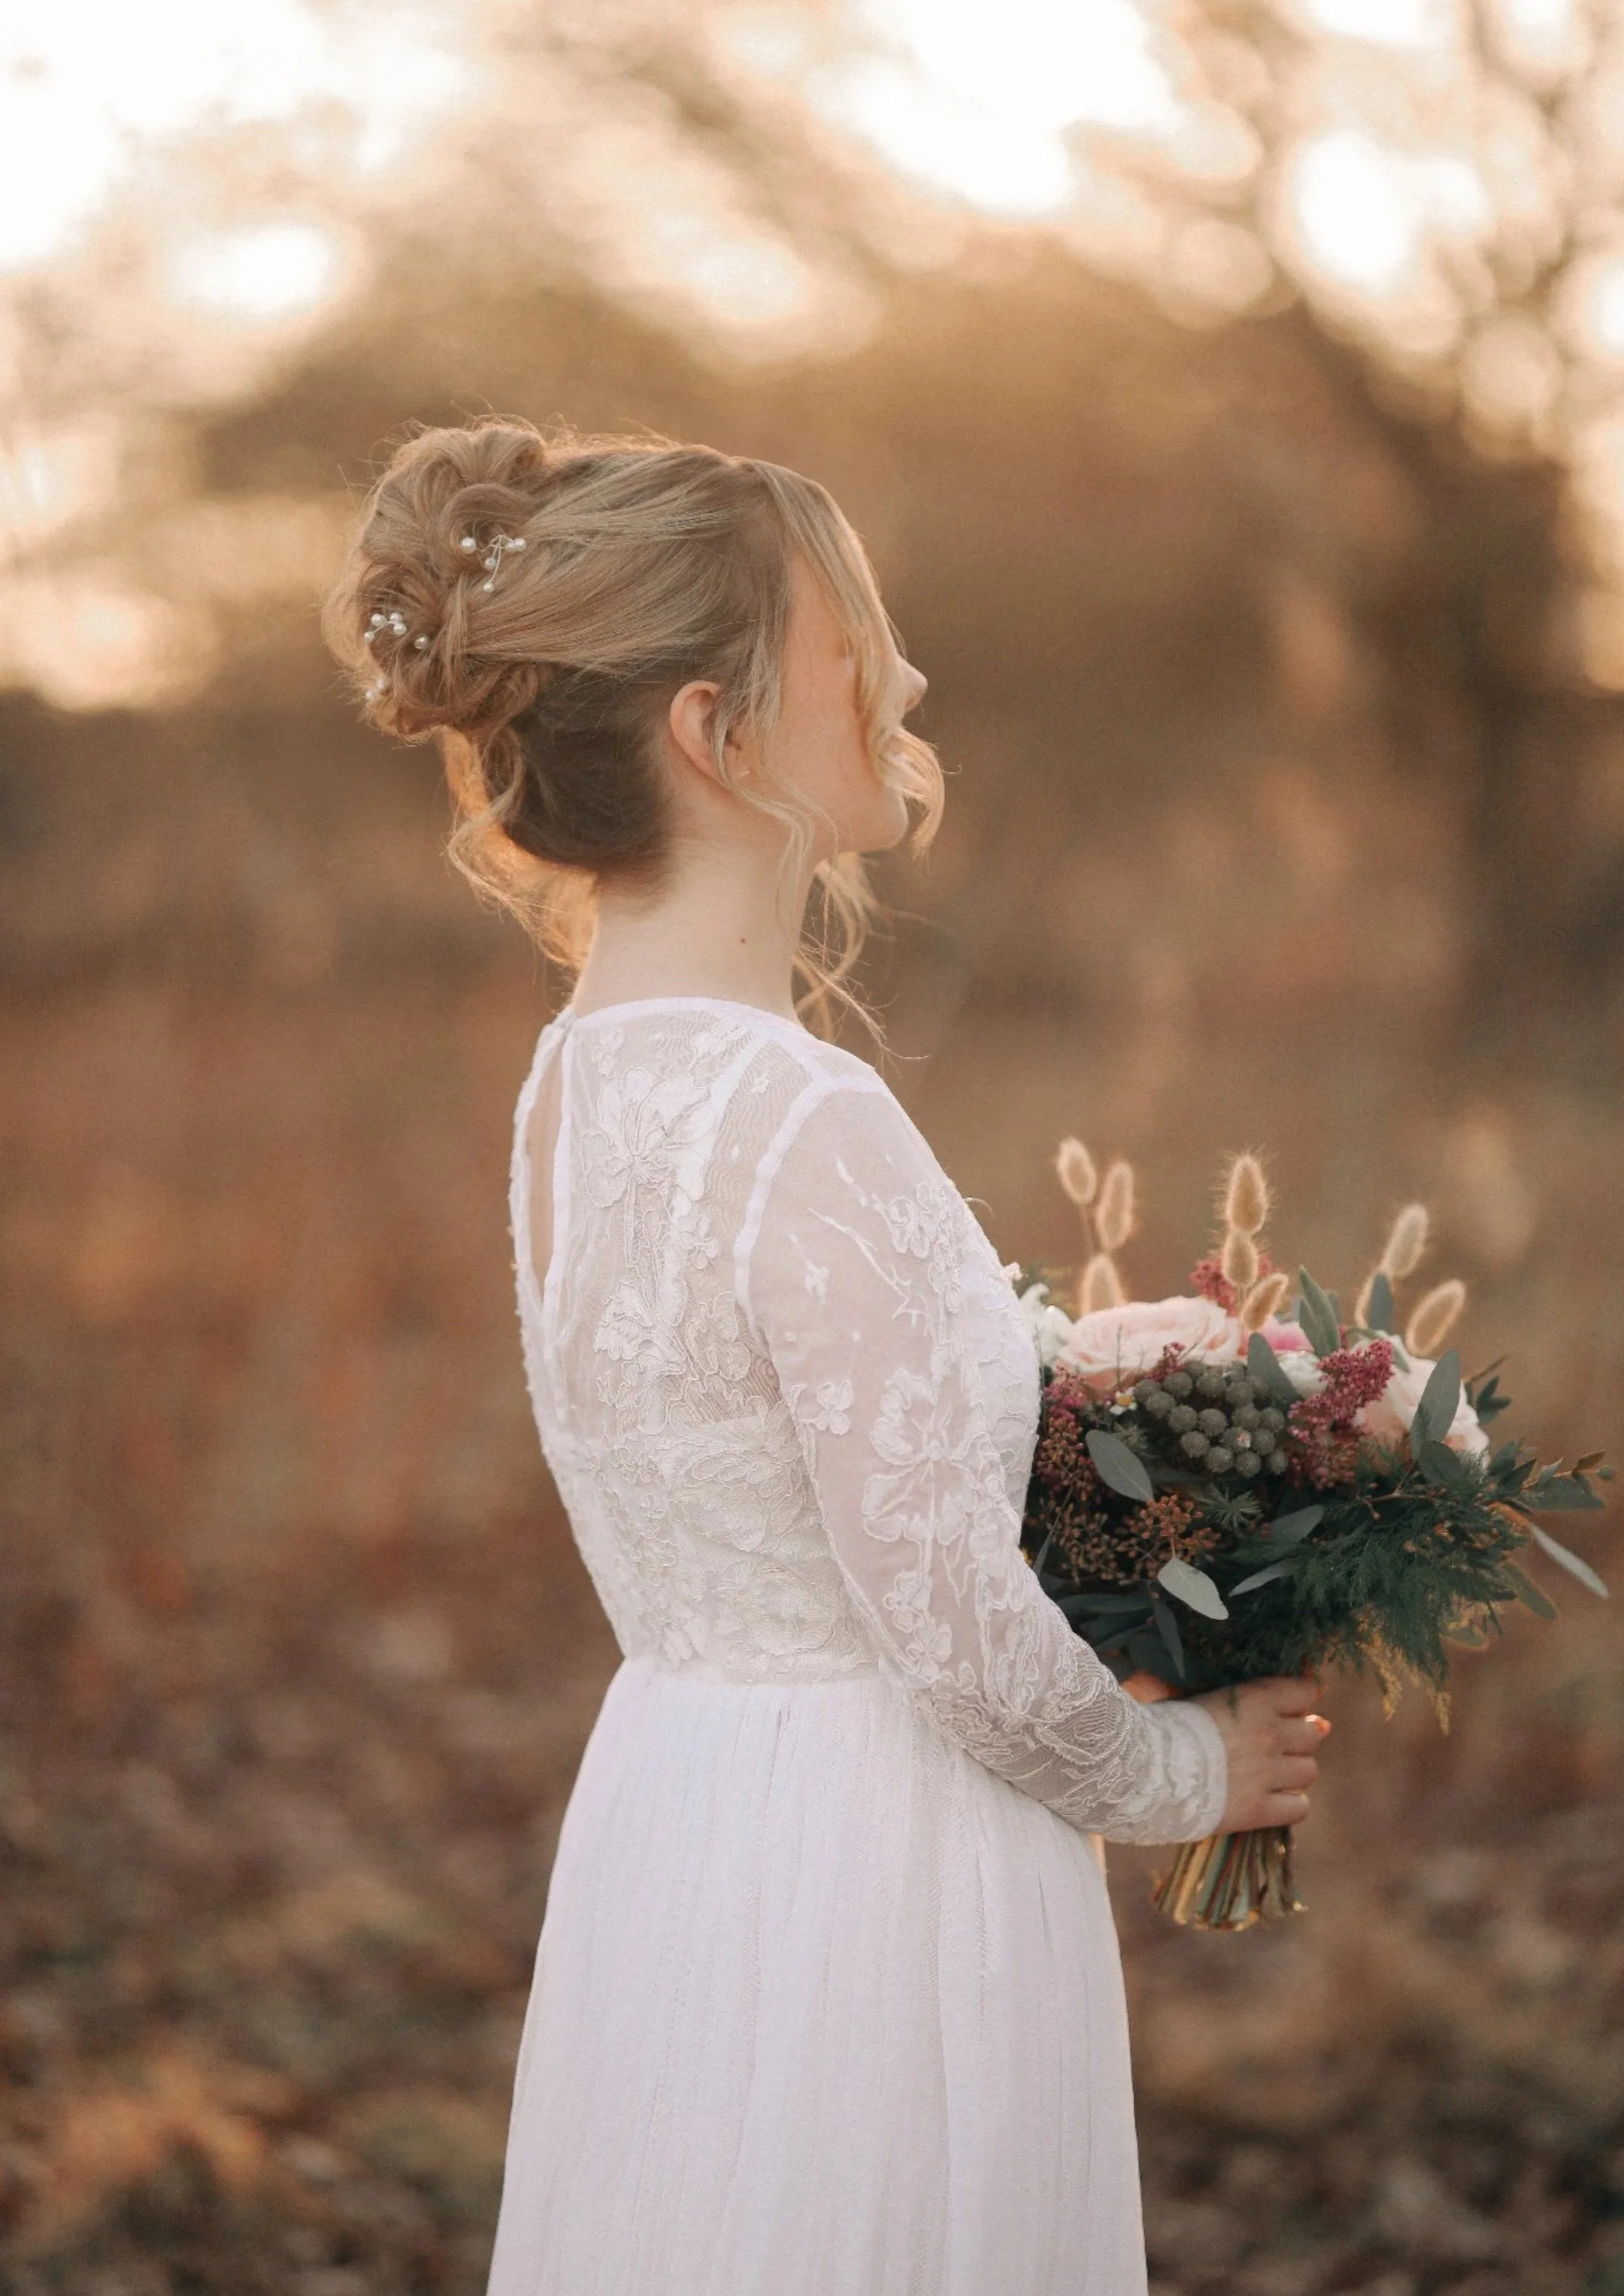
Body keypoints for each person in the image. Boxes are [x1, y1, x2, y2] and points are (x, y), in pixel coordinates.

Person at [324, 418, 1329, 2296]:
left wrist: (1108, 1377)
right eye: (852, 644)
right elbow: (946, 1617)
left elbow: (786, 1430)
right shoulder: (796, 1110)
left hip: (692, 1815)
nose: (908, 679)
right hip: (879, 1860)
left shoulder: (581, 1081)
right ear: (716, 733)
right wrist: (1191, 1773)